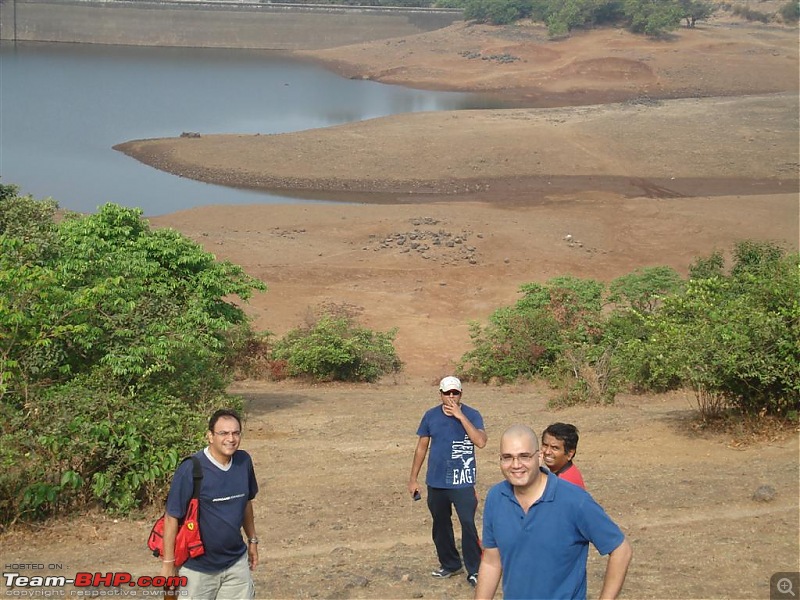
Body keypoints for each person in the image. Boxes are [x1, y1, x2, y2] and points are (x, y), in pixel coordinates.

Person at [475, 424, 632, 600]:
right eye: (507, 457)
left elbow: (621, 550)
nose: (516, 465)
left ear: (539, 457)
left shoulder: (574, 501)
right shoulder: (496, 497)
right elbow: (491, 561)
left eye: (524, 456)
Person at [159, 409, 260, 600]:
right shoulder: (191, 468)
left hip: (235, 564)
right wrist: (168, 564)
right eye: (223, 433)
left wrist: (252, 540)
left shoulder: (243, 461)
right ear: (210, 436)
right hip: (197, 569)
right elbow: (172, 517)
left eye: (236, 433)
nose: (231, 439)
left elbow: (247, 502)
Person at [408, 376, 487, 588]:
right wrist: (413, 479)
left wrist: (461, 417)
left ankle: (475, 569)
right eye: (447, 393)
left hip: (462, 480)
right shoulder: (430, 416)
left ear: (461, 393)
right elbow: (421, 448)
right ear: (440, 394)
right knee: (441, 525)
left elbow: (480, 442)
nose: (451, 397)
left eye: (455, 393)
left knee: (468, 524)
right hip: (436, 481)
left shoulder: (472, 414)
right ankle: (450, 564)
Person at [541, 422, 586, 490]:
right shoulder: (561, 475)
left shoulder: (565, 483)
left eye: (555, 448)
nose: (547, 452)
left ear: (569, 454)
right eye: (545, 445)